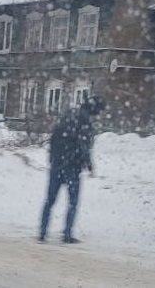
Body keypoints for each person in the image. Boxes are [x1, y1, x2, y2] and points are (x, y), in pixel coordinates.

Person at [39, 95, 106, 243]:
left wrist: (53, 158)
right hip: (72, 167)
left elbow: (54, 136)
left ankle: (42, 232)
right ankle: (67, 234)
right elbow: (83, 145)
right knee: (73, 201)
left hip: (57, 164)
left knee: (50, 200)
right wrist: (89, 165)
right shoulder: (86, 121)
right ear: (95, 110)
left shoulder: (68, 114)